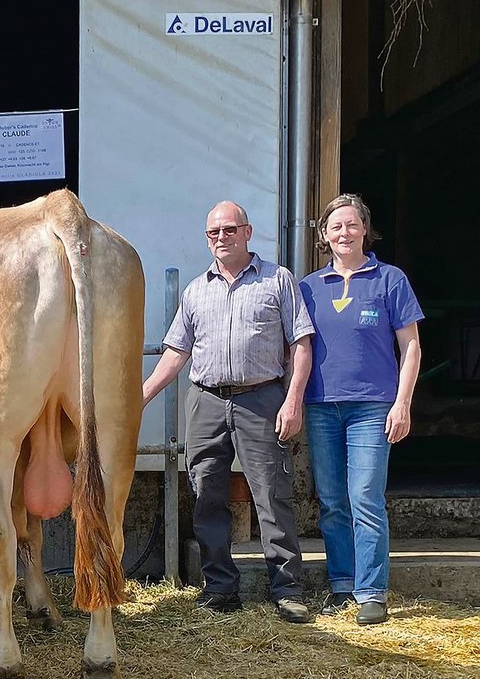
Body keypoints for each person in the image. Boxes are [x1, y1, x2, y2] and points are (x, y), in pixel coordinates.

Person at [143, 201, 316, 623]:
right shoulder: (196, 290)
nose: (221, 237)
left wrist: (293, 400)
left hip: (262, 398)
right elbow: (177, 351)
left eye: (229, 229)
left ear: (247, 232)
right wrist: (141, 395)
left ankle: (287, 590)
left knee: (271, 495)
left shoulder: (278, 280)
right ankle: (220, 587)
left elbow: (301, 345)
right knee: (205, 494)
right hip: (206, 400)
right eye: (213, 232)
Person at [299, 194, 422, 626]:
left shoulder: (390, 279)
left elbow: (410, 347)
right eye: (335, 227)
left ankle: (372, 592)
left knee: (365, 496)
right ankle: (342, 585)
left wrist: (402, 402)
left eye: (352, 225)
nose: (344, 233)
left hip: (373, 407)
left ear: (365, 230)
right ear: (324, 235)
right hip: (321, 406)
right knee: (332, 500)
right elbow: (299, 350)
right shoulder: (309, 287)